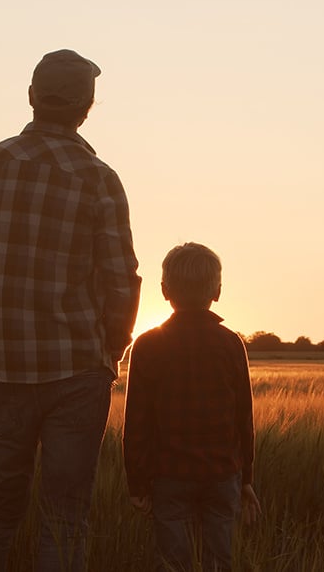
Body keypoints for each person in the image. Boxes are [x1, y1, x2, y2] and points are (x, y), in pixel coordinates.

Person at [0, 49, 141, 572]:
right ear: (87, 106)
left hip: (5, 369)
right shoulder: (97, 177)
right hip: (78, 369)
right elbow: (121, 277)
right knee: (65, 515)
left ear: (32, 97)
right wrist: (113, 346)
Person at [122, 243, 261, 572]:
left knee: (174, 562)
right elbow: (244, 419)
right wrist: (246, 480)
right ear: (218, 291)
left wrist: (137, 484)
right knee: (218, 561)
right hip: (222, 476)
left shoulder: (147, 345)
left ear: (164, 290)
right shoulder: (231, 344)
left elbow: (136, 424)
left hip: (170, 476)